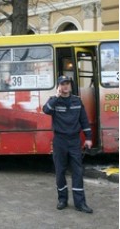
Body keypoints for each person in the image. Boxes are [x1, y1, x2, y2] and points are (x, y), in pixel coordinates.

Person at [43, 75, 93, 214]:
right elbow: (46, 110)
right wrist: (56, 97)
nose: (65, 86)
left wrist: (88, 138)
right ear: (59, 86)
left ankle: (80, 203)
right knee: (60, 171)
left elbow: (84, 120)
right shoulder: (54, 101)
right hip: (59, 141)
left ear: (70, 86)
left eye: (67, 84)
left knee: (77, 171)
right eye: (62, 84)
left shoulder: (77, 101)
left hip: (74, 141)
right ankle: (62, 200)